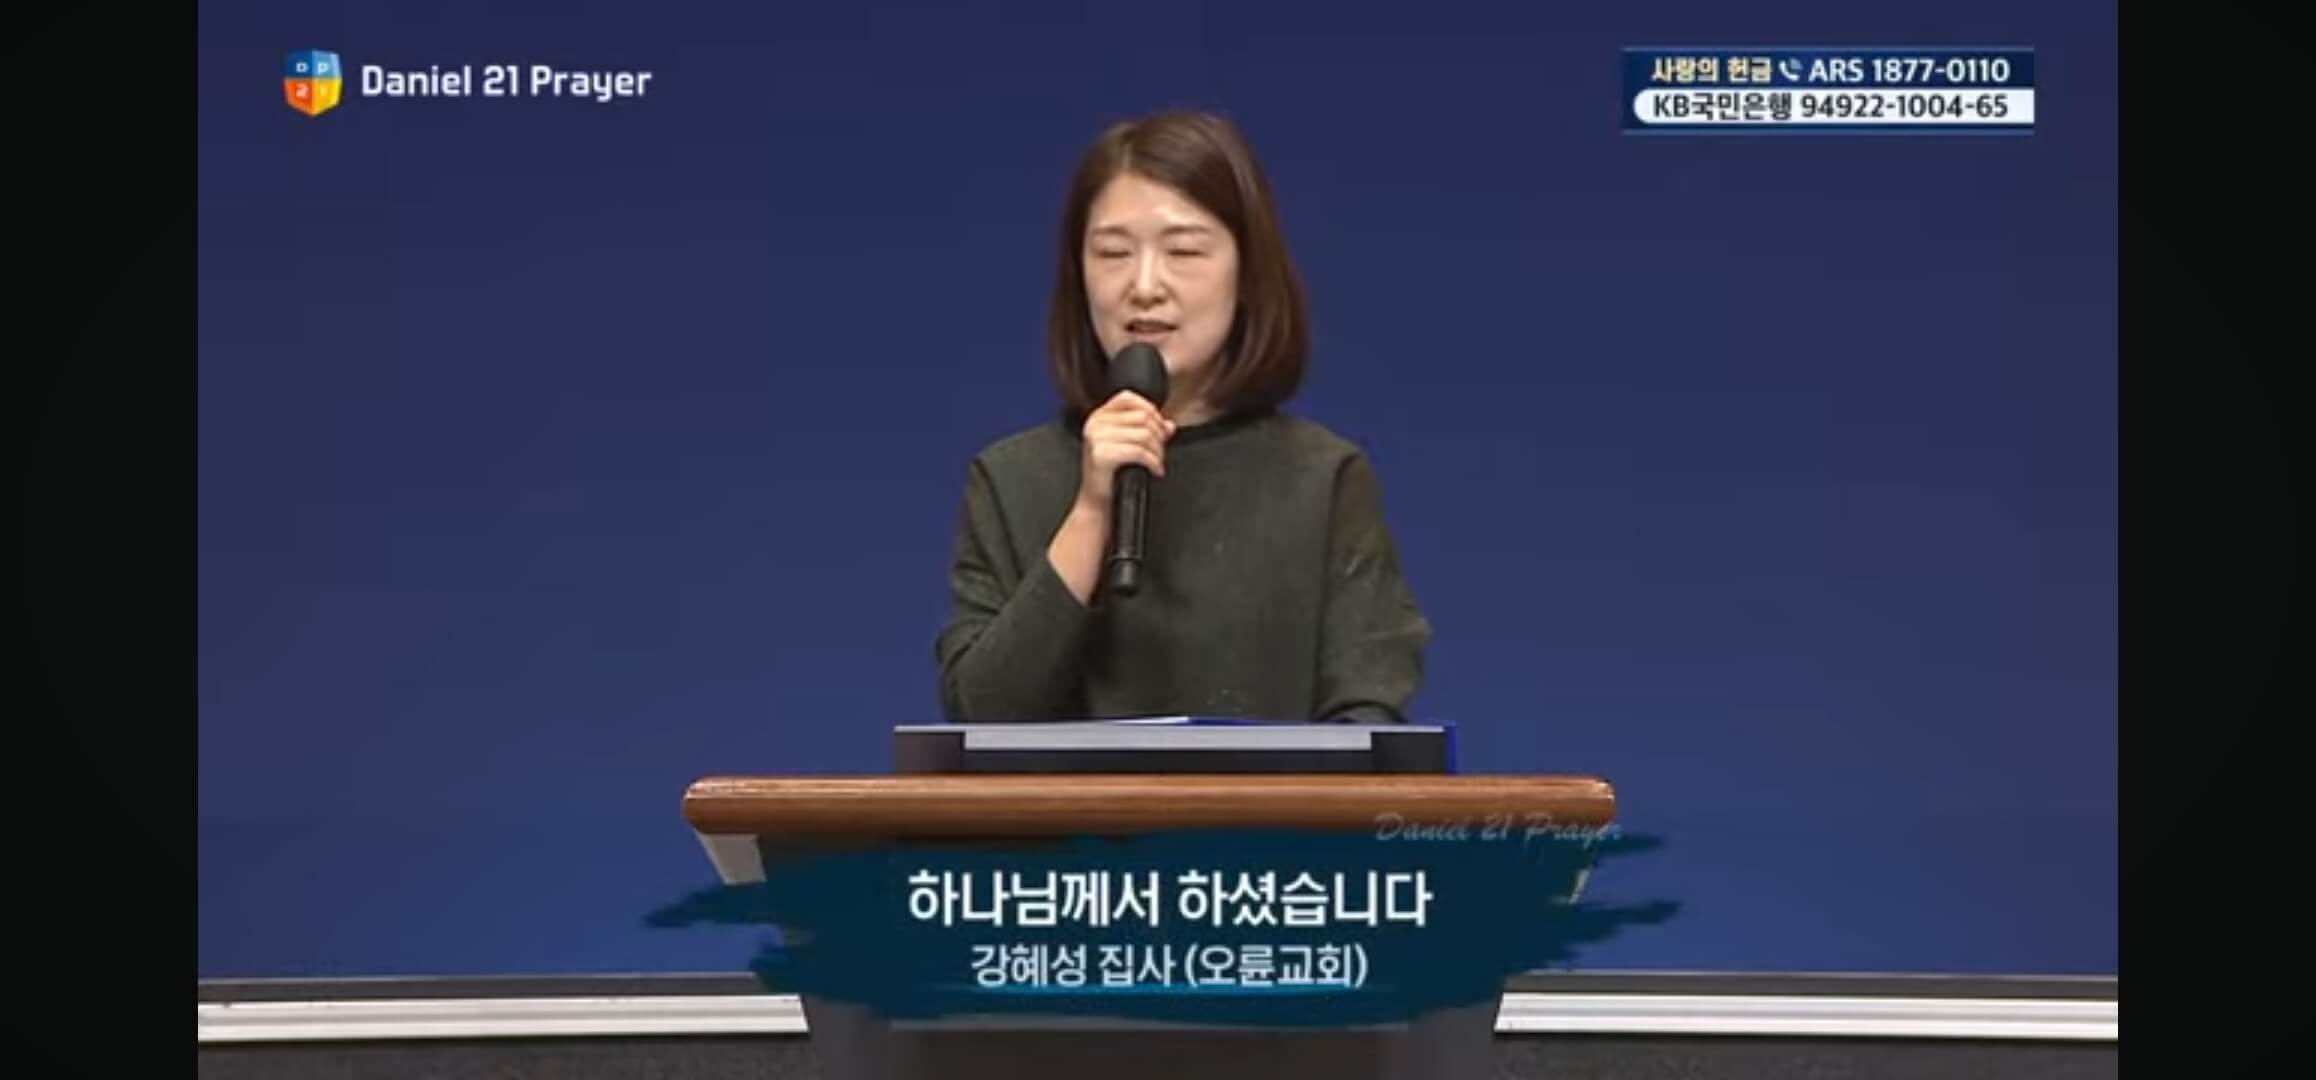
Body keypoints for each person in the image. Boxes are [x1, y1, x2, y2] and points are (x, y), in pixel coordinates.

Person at [934, 110, 1430, 724]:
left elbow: (1370, 723)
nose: (1144, 286)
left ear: (1246, 274)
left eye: (1184, 251)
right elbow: (979, 719)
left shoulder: (1322, 478)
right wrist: (1090, 513)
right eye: (1113, 253)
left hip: (1271, 796)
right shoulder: (1009, 479)